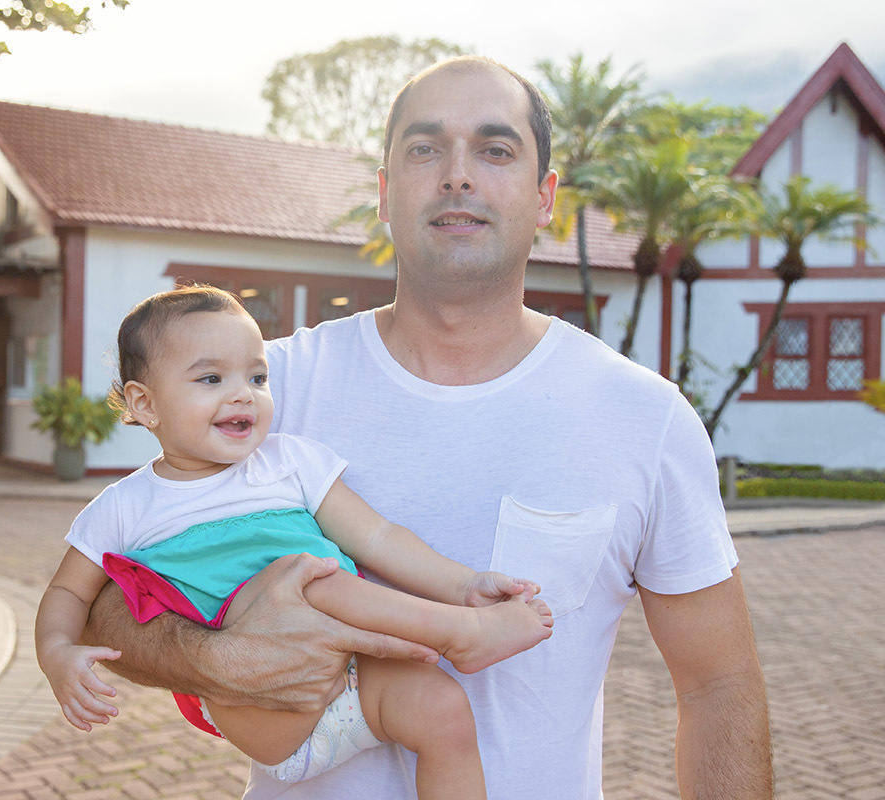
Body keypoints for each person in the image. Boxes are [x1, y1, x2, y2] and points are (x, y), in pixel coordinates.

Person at [81, 56, 773, 799]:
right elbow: (103, 600)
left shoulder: (644, 416)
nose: (457, 175)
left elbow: (718, 686)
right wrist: (212, 660)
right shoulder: (264, 392)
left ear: (545, 198)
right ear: (385, 193)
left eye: (495, 149)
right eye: (424, 148)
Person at [35, 285, 555, 799]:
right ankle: (462, 636)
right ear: (145, 403)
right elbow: (68, 593)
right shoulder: (125, 505)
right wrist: (56, 653)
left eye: (257, 377)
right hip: (260, 705)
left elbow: (378, 537)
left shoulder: (290, 461)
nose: (243, 393)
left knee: (445, 712)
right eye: (211, 378)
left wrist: (465, 585)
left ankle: (462, 621)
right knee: (308, 578)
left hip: (358, 677)